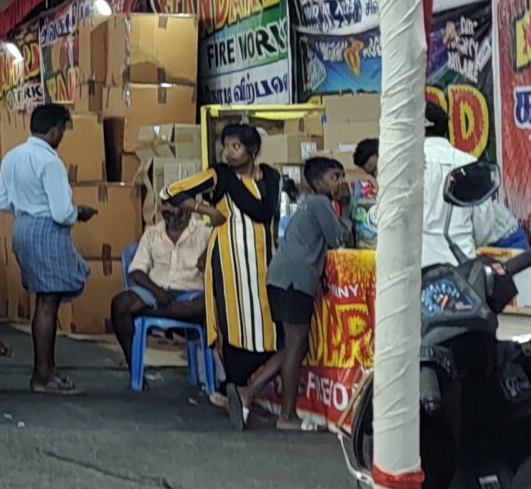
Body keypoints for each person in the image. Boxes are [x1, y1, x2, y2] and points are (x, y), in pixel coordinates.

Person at [168, 121, 287, 412]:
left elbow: (270, 218)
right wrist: (207, 210)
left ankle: (249, 387)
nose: (229, 153)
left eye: (236, 147)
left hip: (264, 263)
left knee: (270, 324)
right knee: (233, 323)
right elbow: (172, 192)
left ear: (253, 150)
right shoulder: (218, 176)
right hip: (229, 264)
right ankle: (232, 386)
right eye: (226, 146)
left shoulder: (271, 178)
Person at [235, 156, 355, 431]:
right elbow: (338, 239)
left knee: (292, 346)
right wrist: (346, 210)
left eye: (341, 176)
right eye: (334, 177)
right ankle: (286, 415)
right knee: (296, 346)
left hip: (282, 277)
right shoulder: (319, 203)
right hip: (296, 280)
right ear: (316, 182)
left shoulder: (311, 204)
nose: (341, 182)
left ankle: (249, 392)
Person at [0, 103, 89, 396]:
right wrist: (80, 212)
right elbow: (62, 212)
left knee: (44, 300)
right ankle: (42, 375)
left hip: (22, 227)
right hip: (47, 230)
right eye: (62, 129)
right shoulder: (50, 163)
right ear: (54, 129)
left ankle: (46, 369)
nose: (62, 135)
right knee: (48, 303)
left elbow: (2, 202)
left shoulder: (12, 157)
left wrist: (27, 206)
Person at [416, 103, 527, 267]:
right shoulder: (469, 163)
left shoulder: (406, 165)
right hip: (462, 268)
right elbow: (484, 226)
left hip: (417, 270)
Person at [107, 198, 213, 360]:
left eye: (176, 205)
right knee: (120, 304)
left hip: (191, 294)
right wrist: (157, 292)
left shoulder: (205, 233)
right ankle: (134, 367)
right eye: (166, 204)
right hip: (155, 292)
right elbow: (136, 270)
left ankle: (148, 313)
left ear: (190, 208)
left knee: (205, 307)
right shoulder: (152, 233)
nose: (170, 209)